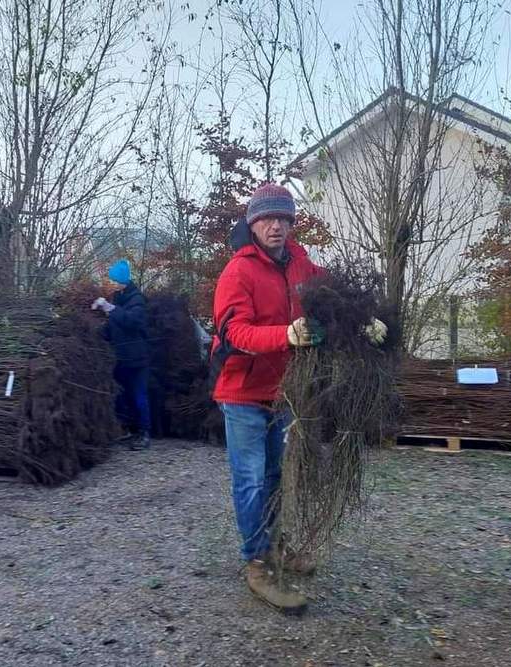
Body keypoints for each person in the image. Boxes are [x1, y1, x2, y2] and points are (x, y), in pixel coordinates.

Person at [210, 183, 327, 612]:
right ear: (252, 224)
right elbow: (233, 332)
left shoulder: (299, 262)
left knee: (278, 476)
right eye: (266, 219)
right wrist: (285, 335)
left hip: (281, 392)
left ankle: (275, 544)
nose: (276, 226)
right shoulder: (238, 271)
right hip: (241, 393)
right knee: (251, 480)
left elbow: (326, 294)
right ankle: (256, 562)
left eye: (283, 218)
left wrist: (362, 315)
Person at [92, 259, 151, 450]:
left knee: (139, 396)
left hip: (137, 358)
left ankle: (144, 434)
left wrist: (110, 308)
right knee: (122, 395)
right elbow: (114, 325)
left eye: (114, 280)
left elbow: (132, 321)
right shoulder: (119, 297)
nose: (112, 283)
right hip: (122, 357)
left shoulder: (137, 299)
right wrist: (97, 333)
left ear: (122, 279)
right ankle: (129, 430)